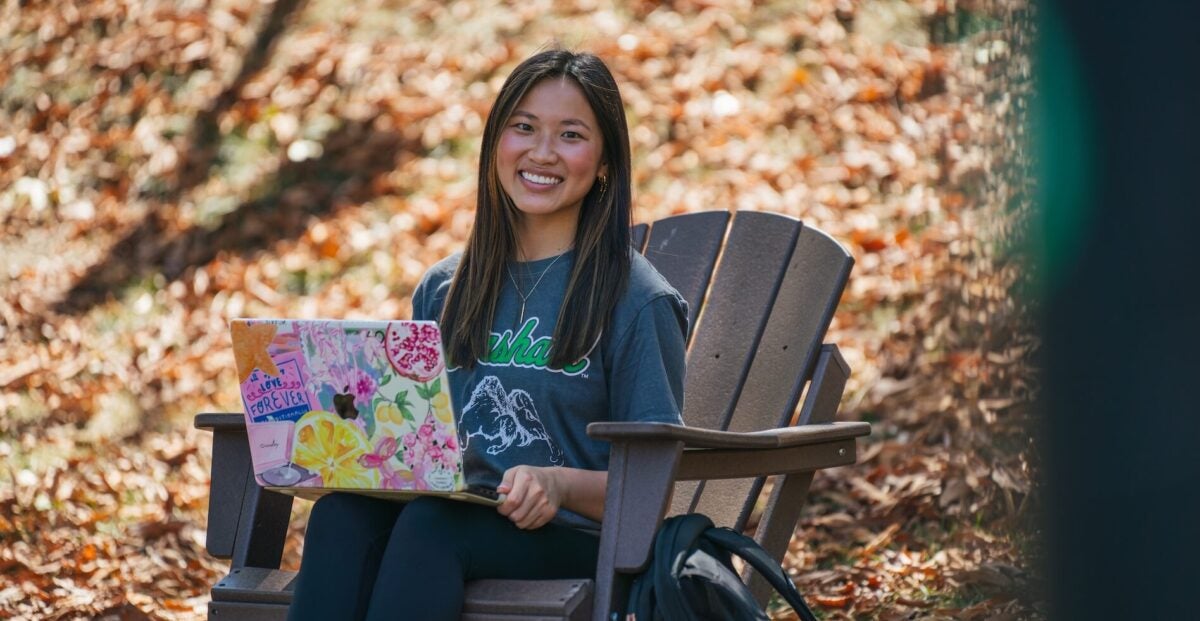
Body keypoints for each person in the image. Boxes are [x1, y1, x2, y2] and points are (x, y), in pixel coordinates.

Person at [287, 49, 689, 621]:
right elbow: (414, 444)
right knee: (341, 515)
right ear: (495, 142)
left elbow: (651, 486)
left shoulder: (635, 299)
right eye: (523, 127)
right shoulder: (447, 287)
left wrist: (557, 485)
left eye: (570, 135)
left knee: (433, 527)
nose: (542, 152)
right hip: (452, 517)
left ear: (604, 161)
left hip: (576, 540)